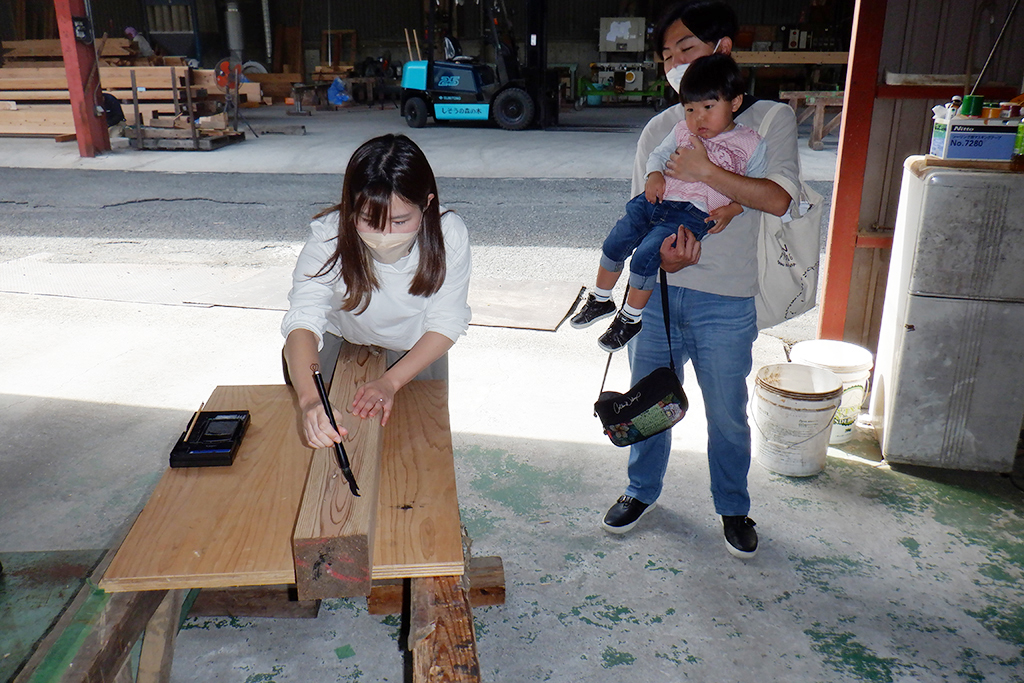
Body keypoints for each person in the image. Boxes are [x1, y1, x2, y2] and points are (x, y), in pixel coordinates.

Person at [600, 0, 800, 560]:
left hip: (725, 299)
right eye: (666, 55)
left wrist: (708, 171)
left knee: (727, 415)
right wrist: (660, 259)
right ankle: (641, 491)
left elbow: (779, 200)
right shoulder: (662, 128)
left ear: (723, 50)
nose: (675, 63)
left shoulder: (768, 121)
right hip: (661, 296)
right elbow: (649, 204)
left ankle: (733, 506)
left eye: (686, 49)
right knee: (648, 403)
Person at [281, 134, 472, 449]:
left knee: (417, 447)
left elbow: (447, 322)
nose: (385, 235)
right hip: (338, 342)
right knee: (325, 439)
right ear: (351, 204)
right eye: (369, 220)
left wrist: (390, 382)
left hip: (415, 351)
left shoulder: (449, 234)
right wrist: (311, 402)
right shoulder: (330, 234)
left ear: (427, 204)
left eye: (400, 221)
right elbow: (303, 319)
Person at [571, 53, 766, 353]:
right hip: (654, 200)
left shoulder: (750, 143)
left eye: (708, 107)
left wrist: (733, 208)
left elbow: (757, 189)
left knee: (646, 257)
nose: (697, 117)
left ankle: (631, 318)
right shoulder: (680, 131)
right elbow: (658, 156)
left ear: (735, 103)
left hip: (690, 215)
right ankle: (600, 298)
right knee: (615, 242)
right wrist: (653, 175)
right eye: (689, 108)